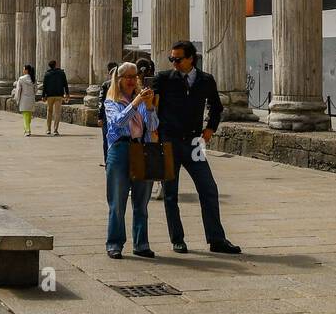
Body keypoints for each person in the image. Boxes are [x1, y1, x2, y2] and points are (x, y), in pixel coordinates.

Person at [153, 40, 240, 255]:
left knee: (208, 189)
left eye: (178, 59)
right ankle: (178, 239)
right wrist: (153, 131)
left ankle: (216, 239)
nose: (174, 63)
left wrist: (210, 128)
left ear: (191, 58)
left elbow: (216, 107)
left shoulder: (205, 80)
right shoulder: (164, 79)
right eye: (171, 59)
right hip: (169, 141)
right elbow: (150, 106)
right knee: (170, 193)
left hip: (193, 142)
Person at [103, 62, 158, 260]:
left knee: (142, 202)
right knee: (117, 201)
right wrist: (135, 103)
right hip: (119, 149)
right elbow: (118, 122)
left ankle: (141, 243)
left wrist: (150, 106)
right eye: (126, 76)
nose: (130, 80)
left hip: (140, 148)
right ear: (118, 80)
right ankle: (115, 243)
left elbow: (152, 127)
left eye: (134, 76)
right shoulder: (111, 101)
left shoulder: (143, 100)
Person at [97, 62, 118, 164]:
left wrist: (100, 117)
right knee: (109, 138)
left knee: (107, 139)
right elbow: (102, 101)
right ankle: (109, 161)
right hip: (110, 116)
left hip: (107, 116)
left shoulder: (106, 84)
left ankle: (107, 161)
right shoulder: (107, 85)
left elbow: (101, 102)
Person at [41, 60, 69, 136]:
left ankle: (48, 129)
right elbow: (65, 84)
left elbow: (44, 86)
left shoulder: (47, 74)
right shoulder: (62, 73)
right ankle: (55, 130)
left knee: (49, 112)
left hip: (50, 96)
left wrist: (43, 96)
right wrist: (67, 94)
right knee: (57, 113)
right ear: (56, 65)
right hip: (59, 95)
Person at [13, 64, 37, 136]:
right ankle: (26, 128)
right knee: (28, 115)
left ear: (27, 70)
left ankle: (27, 130)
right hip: (31, 98)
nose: (23, 71)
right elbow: (35, 90)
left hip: (24, 99)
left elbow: (18, 90)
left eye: (24, 69)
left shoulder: (21, 79)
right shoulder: (33, 79)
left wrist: (17, 98)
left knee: (25, 115)